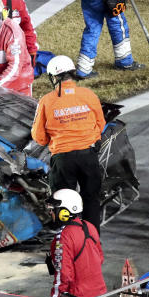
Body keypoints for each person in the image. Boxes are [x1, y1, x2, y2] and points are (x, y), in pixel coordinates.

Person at [32, 56, 106, 229]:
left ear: (54, 77)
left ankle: (68, 241)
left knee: (63, 205)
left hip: (63, 159)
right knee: (91, 201)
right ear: (73, 74)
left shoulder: (46, 101)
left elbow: (39, 136)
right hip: (88, 156)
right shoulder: (89, 95)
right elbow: (100, 124)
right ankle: (92, 241)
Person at [45, 189, 106, 297]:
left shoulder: (63, 236)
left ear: (64, 212)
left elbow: (63, 274)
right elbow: (100, 258)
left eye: (53, 209)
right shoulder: (90, 227)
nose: (50, 212)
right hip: (99, 294)